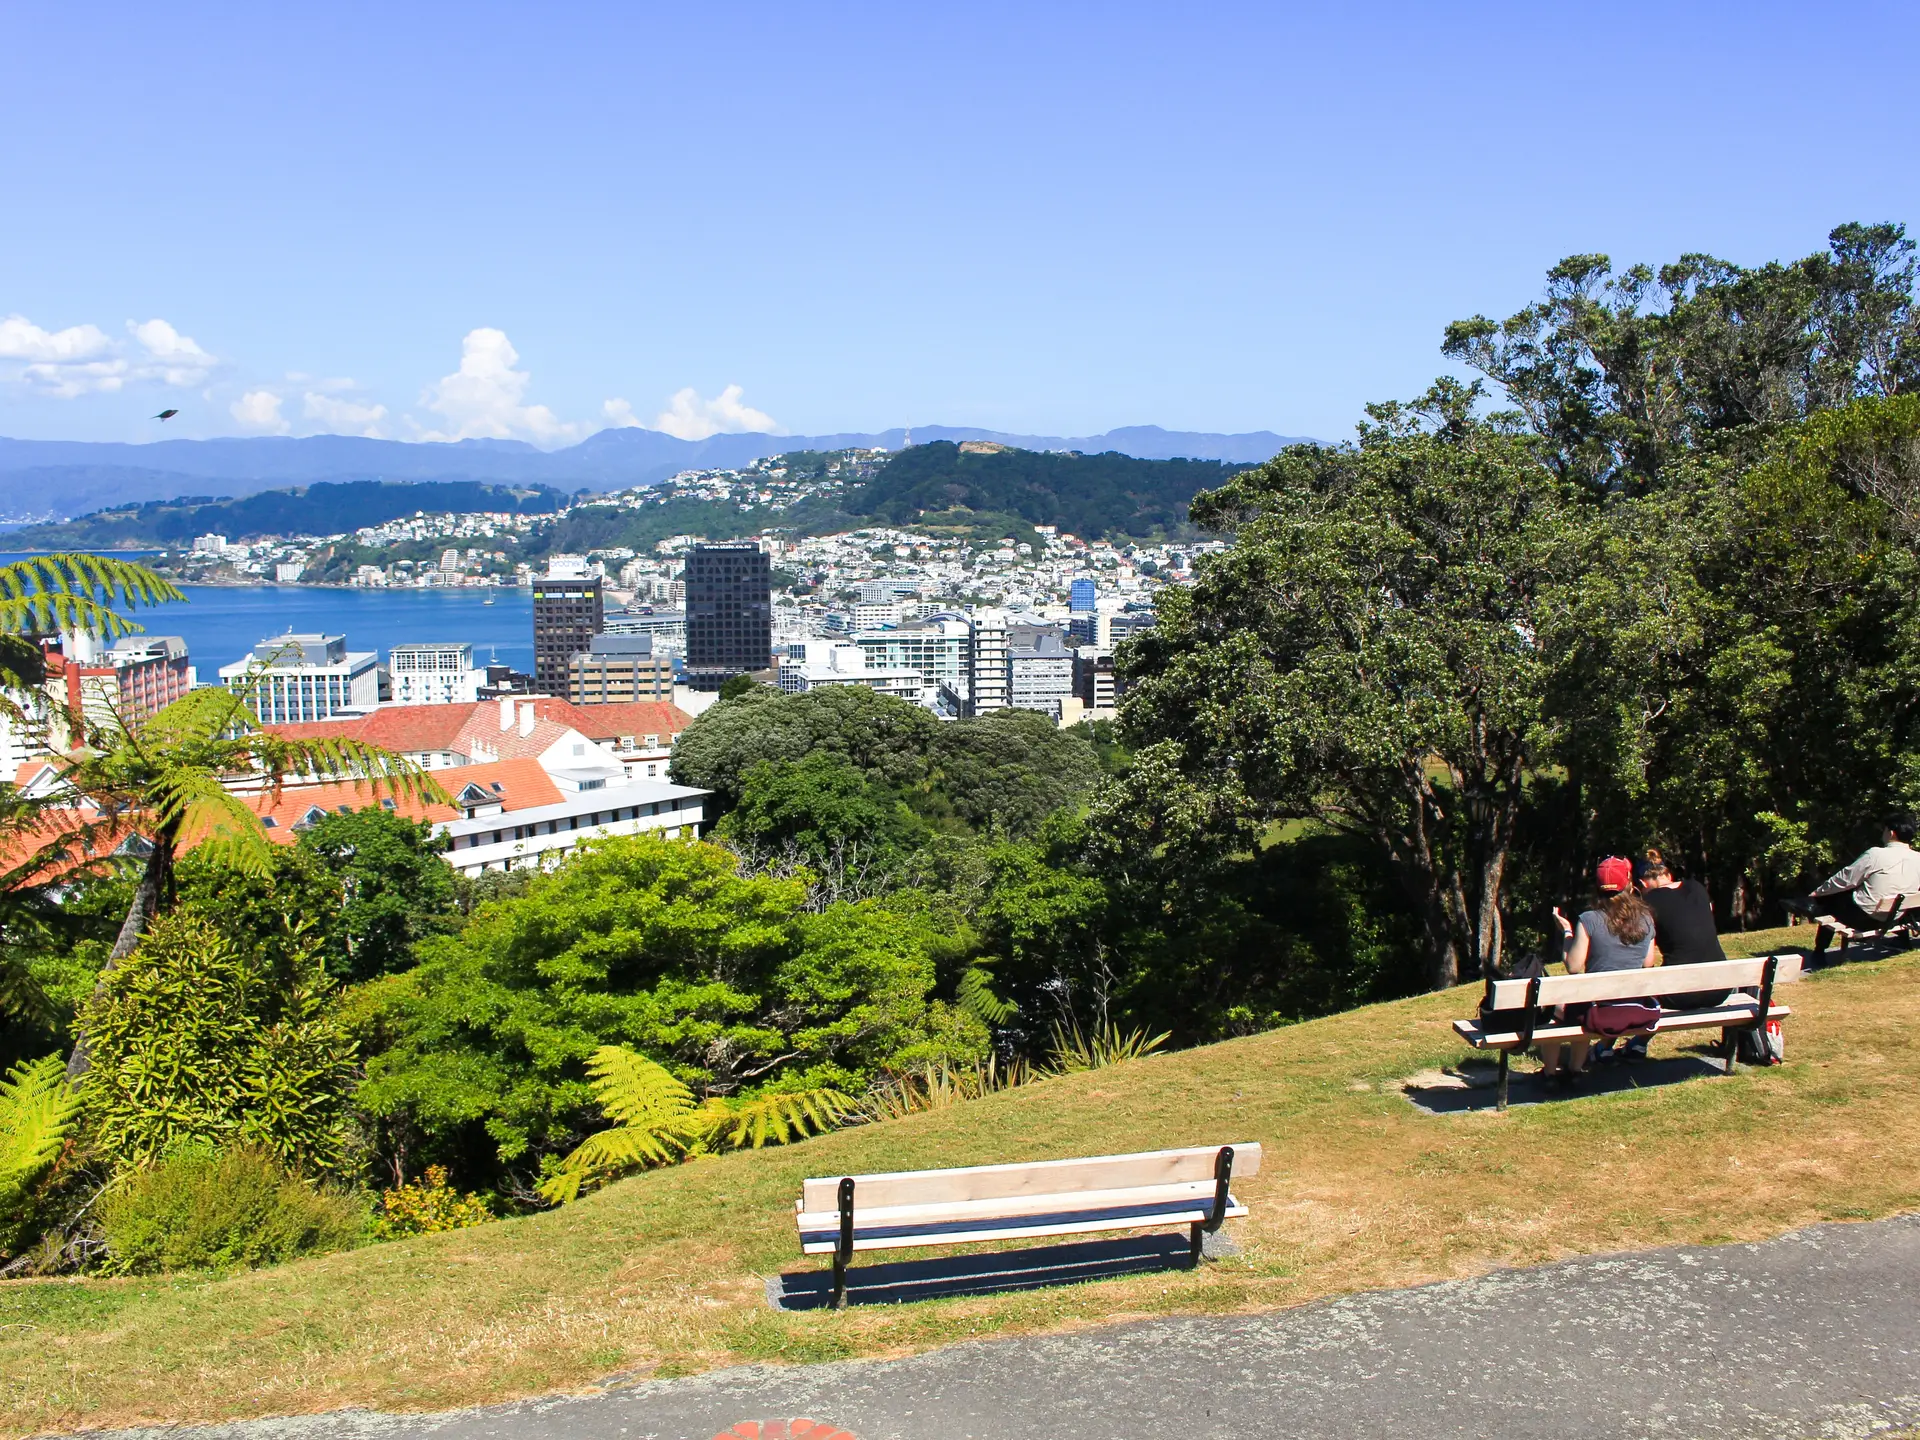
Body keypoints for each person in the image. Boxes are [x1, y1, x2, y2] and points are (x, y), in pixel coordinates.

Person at [1547, 856, 1661, 1085]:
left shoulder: (1589, 920)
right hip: (1637, 1010)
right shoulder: (1646, 918)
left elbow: (1573, 966)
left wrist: (1567, 933)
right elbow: (1648, 963)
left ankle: (1552, 1073)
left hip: (1599, 1012)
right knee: (1581, 1004)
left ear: (1597, 888)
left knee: (1554, 1009)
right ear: (1629, 883)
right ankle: (1575, 1070)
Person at [1614, 849, 1727, 1062]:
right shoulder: (1697, 888)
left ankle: (1636, 1045)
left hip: (1681, 994)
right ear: (1668, 874)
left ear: (1643, 883)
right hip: (1720, 987)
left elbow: (1649, 962)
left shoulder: (1648, 904)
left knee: (1644, 987)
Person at [1800, 816, 1920, 957]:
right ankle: (1903, 940)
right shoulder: (1917, 857)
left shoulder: (1876, 854)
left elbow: (1845, 878)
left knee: (1832, 898)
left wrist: (1817, 893)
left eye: (1884, 830)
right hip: (1895, 917)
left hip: (1866, 919)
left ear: (1891, 833)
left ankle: (1819, 952)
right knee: (1898, 891)